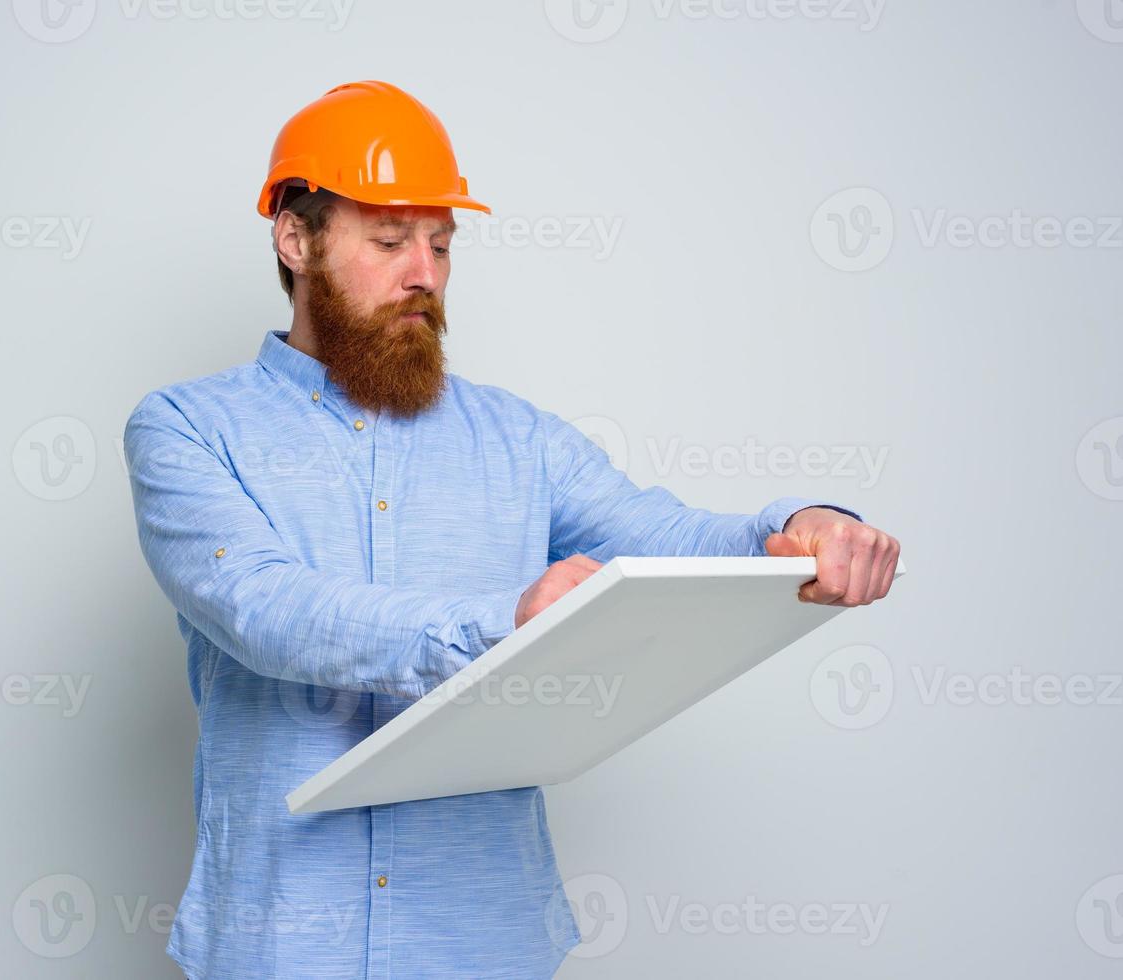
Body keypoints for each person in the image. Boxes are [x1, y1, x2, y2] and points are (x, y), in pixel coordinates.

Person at [124, 79, 901, 979]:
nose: (425, 273)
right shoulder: (186, 428)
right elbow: (262, 607)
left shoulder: (517, 438)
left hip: (483, 942)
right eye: (388, 240)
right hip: (283, 942)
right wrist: (506, 624)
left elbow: (663, 533)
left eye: (441, 244)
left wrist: (800, 528)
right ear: (295, 240)